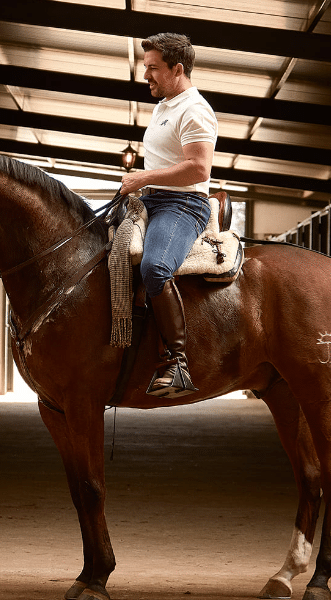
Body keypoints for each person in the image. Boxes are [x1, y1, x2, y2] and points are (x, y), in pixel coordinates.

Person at [120, 32, 218, 398]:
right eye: (145, 68)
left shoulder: (195, 110)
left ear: (178, 69)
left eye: (153, 69)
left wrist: (143, 177)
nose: (146, 75)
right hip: (153, 201)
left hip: (183, 205)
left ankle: (178, 362)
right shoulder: (164, 106)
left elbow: (198, 169)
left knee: (154, 267)